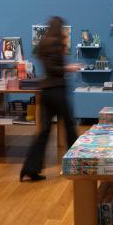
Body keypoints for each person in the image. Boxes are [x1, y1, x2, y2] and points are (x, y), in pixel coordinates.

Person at [21, 16, 80, 182]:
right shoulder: (55, 44)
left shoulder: (44, 44)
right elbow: (53, 68)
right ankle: (76, 164)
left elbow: (48, 68)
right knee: (69, 126)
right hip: (57, 90)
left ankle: (30, 168)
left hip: (46, 90)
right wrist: (68, 68)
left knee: (44, 131)